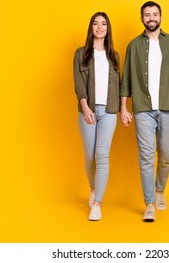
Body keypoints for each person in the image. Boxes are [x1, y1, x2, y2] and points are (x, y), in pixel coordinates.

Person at [120, 1, 169, 222]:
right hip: (143, 109)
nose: (151, 18)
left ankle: (160, 190)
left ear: (161, 17)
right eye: (147, 15)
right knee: (146, 157)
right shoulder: (133, 46)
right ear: (141, 19)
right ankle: (149, 202)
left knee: (166, 155)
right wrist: (124, 108)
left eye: (155, 14)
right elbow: (126, 81)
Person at [73, 12, 120, 221]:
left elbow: (118, 85)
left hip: (109, 111)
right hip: (88, 109)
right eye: (95, 23)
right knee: (89, 156)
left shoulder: (114, 56)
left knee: (102, 156)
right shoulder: (81, 53)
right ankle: (93, 188)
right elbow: (78, 82)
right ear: (91, 28)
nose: (99, 27)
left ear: (108, 28)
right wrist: (85, 106)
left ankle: (98, 204)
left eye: (103, 24)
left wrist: (123, 110)